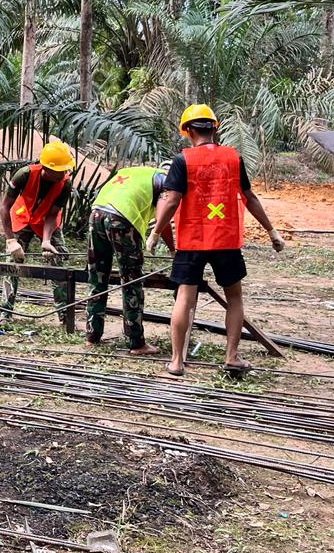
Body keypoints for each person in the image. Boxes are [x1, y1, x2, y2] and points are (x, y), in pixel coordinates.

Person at [147, 105, 286, 377]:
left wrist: (155, 233)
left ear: (188, 131)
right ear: (215, 127)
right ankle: (232, 357)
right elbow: (250, 197)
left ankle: (176, 362)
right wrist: (272, 232)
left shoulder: (182, 160)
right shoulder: (233, 158)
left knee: (184, 299)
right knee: (234, 297)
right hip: (226, 239)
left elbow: (172, 200)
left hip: (193, 240)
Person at [86, 162, 174, 355]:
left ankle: (92, 335)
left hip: (97, 214)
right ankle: (136, 342)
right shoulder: (165, 179)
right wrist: (159, 238)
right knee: (131, 281)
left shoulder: (136, 173)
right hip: (122, 220)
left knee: (97, 276)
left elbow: (163, 221)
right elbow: (163, 213)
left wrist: (172, 249)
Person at [0, 140, 75, 327]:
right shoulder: (24, 175)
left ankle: (65, 315)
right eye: (60, 170)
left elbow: (53, 214)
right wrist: (11, 241)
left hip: (47, 222)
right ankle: (5, 313)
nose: (64, 173)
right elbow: (4, 207)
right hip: (23, 218)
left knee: (58, 260)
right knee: (12, 263)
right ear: (47, 168)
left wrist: (47, 240)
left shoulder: (65, 183)